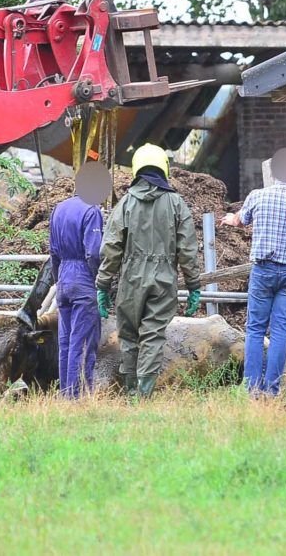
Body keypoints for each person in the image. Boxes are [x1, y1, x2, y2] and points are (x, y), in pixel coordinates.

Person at [98, 144, 201, 398]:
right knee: (153, 336)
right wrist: (194, 284)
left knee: (130, 336)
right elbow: (187, 248)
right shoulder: (177, 204)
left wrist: (102, 285)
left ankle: (131, 391)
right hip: (164, 280)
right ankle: (145, 394)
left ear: (137, 169)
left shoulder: (125, 204)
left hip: (131, 280)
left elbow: (111, 247)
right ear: (164, 169)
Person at [222, 148, 286, 396]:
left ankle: (251, 388)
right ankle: (272, 390)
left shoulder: (258, 196)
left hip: (264, 270)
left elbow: (239, 220)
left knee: (256, 330)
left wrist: (229, 219)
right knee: (280, 331)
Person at [49, 174, 104, 398]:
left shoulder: (58, 210)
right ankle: (77, 397)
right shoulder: (92, 211)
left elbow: (52, 252)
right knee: (81, 343)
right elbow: (93, 252)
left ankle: (65, 394)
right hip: (83, 279)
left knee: (65, 342)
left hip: (63, 278)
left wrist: (58, 279)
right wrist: (99, 281)